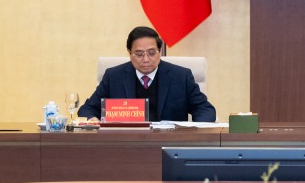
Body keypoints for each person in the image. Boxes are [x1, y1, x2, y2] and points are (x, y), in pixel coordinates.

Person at [77, 26, 216, 123]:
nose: (145, 59)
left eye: (151, 53)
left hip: (169, 145)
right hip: (126, 145)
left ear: (159, 51)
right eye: (139, 54)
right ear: (129, 53)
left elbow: (205, 109)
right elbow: (87, 109)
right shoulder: (113, 76)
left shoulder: (181, 76)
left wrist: (195, 130)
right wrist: (92, 119)